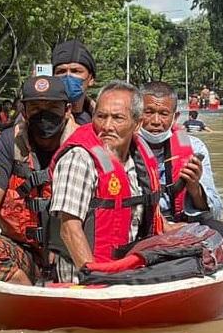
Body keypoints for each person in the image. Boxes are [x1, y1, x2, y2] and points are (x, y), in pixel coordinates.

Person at [0, 76, 75, 284]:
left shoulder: (83, 144)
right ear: (24, 111)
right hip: (25, 250)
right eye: (36, 107)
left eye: (52, 106)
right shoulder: (8, 141)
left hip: (71, 250)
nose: (43, 113)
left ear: (67, 110)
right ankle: (28, 295)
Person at [48, 80, 164, 283]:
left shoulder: (138, 159)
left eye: (118, 118)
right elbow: (69, 228)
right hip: (83, 276)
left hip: (127, 271)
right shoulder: (79, 158)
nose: (107, 126)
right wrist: (95, 278)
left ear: (136, 124)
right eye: (101, 116)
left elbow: (151, 220)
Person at [139, 82, 223, 223]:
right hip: (139, 226)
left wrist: (195, 188)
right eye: (148, 112)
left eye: (163, 114)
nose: (155, 121)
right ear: (136, 114)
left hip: (179, 224)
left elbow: (216, 212)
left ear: (175, 117)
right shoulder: (125, 147)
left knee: (219, 229)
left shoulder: (195, 148)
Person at [51, 39, 97, 124]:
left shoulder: (101, 121)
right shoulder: (44, 120)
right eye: (61, 71)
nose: (68, 76)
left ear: (91, 79)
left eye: (75, 71)